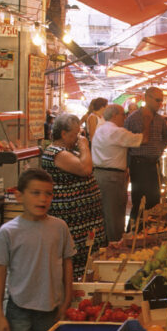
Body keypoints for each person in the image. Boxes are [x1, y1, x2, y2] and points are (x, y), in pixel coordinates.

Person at [0, 169, 76, 331]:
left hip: (50, 308)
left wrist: (66, 299)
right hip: (19, 308)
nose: (43, 199)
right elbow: (0, 272)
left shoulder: (59, 227)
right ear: (19, 195)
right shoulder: (8, 232)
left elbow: (67, 262)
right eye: (35, 193)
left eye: (48, 194)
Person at [42, 113, 106, 279]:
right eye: (75, 133)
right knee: (75, 258)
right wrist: (84, 145)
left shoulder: (67, 151)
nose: (78, 137)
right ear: (63, 134)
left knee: (88, 258)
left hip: (84, 222)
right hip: (73, 222)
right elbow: (85, 169)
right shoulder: (56, 152)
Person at [91, 104, 143, 242]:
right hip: (112, 178)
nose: (125, 118)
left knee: (105, 214)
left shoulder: (100, 128)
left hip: (99, 174)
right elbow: (141, 139)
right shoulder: (116, 132)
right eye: (122, 114)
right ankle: (114, 247)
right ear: (114, 115)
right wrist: (148, 121)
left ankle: (104, 245)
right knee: (115, 215)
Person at [124, 87, 167, 231]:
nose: (160, 104)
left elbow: (166, 137)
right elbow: (126, 143)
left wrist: (159, 149)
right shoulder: (133, 118)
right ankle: (133, 232)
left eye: (161, 101)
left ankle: (150, 231)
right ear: (147, 98)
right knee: (139, 201)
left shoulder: (160, 120)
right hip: (139, 164)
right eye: (157, 100)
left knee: (154, 202)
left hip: (153, 164)